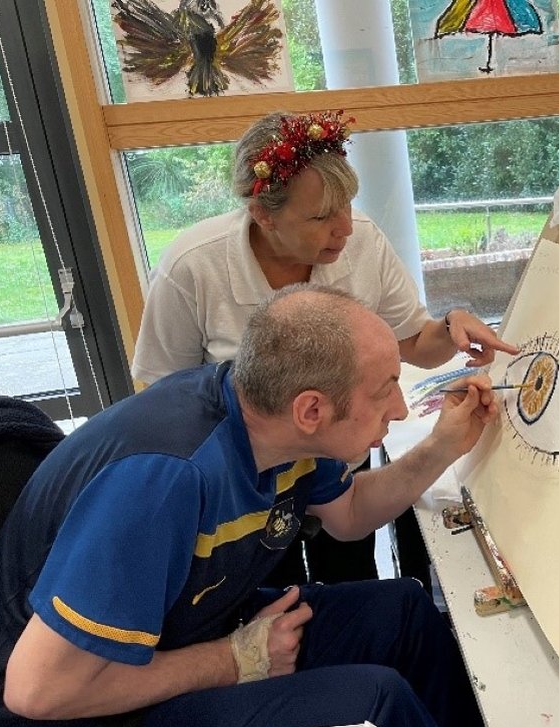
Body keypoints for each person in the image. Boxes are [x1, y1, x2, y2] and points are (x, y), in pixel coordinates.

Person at [0, 285, 496, 727]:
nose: (401, 409)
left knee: (403, 613)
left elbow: (349, 514)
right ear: (311, 410)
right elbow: (37, 691)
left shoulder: (277, 420)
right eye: (384, 388)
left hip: (179, 629)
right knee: (375, 708)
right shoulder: (162, 482)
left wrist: (444, 445)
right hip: (84, 711)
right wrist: (232, 660)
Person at [131, 109, 518, 588]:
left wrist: (450, 324)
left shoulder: (362, 244)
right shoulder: (194, 267)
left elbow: (415, 343)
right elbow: (163, 395)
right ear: (262, 214)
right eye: (320, 217)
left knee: (350, 583)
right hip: (245, 496)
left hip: (339, 470)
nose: (346, 229)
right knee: (269, 602)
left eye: (347, 206)